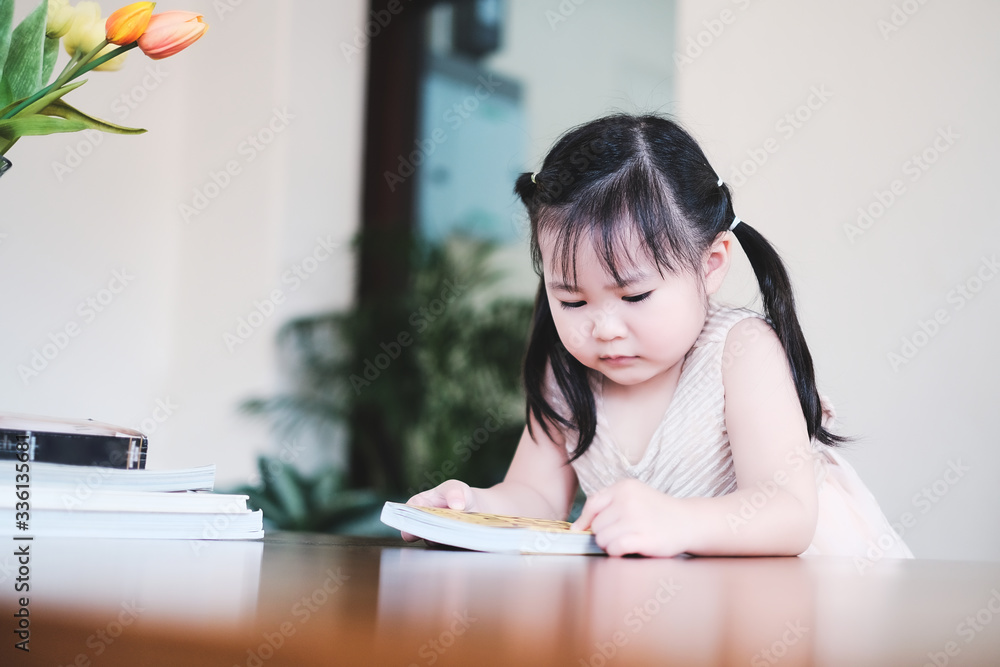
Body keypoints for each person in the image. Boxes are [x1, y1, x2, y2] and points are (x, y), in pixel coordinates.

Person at [403, 112, 913, 559]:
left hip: (796, 602)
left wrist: (677, 521)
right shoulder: (564, 370)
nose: (603, 328)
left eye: (635, 297)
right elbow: (534, 498)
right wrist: (470, 507)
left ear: (710, 266)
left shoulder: (740, 352)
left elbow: (788, 512)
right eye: (572, 300)